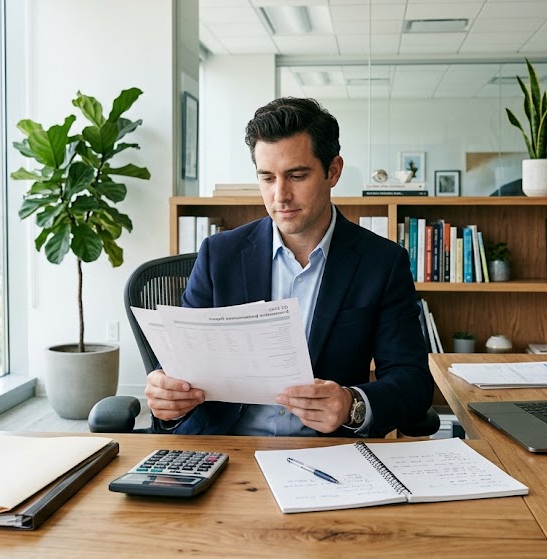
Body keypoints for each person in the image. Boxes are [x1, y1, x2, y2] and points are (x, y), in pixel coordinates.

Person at [145, 97, 433, 437]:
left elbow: (412, 383)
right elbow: (182, 366)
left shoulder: (381, 262)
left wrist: (351, 404)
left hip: (327, 454)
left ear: (333, 171)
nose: (280, 195)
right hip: (224, 446)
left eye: (296, 176)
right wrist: (168, 397)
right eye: (267, 178)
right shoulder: (218, 255)